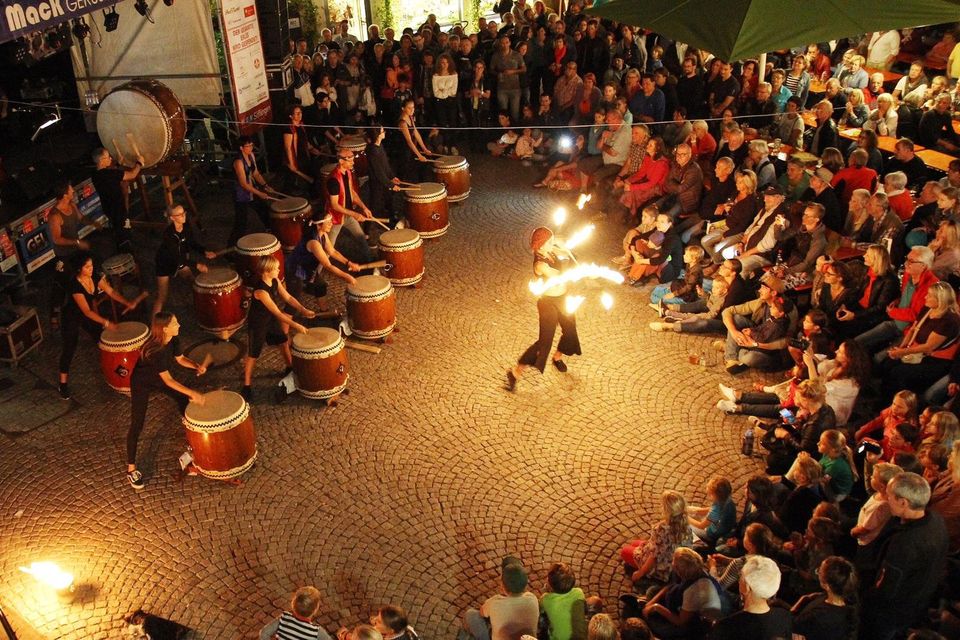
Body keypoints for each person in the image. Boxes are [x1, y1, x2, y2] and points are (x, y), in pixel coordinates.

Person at [860, 473, 949, 640]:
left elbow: (886, 588)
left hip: (894, 611)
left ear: (903, 502)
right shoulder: (936, 520)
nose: (886, 499)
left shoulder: (905, 544)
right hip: (920, 599)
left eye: (889, 495)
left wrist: (865, 599)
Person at [126, 313, 206, 489]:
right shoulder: (156, 351)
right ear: (164, 328)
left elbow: (180, 359)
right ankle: (131, 470)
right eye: (175, 323)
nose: (179, 325)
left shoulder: (173, 339)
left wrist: (195, 365)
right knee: (137, 423)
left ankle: (194, 441)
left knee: (183, 401)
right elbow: (169, 381)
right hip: (142, 382)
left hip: (160, 378)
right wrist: (193, 392)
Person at [506, 228, 581, 391]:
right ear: (541, 245)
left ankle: (558, 356)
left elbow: (564, 251)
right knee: (544, 342)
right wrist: (573, 263)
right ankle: (516, 371)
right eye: (550, 241)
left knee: (570, 331)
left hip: (563, 298)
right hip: (548, 303)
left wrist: (567, 250)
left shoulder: (550, 250)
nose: (553, 243)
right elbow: (561, 276)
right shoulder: (540, 264)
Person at [58, 251, 141, 400]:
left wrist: (126, 302)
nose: (91, 269)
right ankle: (63, 384)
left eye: (91, 266)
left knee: (102, 341)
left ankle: (114, 372)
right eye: (87, 267)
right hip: (72, 317)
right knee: (69, 348)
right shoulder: (75, 285)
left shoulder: (94, 277)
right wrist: (106, 322)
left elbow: (111, 292)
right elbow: (87, 311)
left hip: (87, 316)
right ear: (79, 269)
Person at [242, 256, 314, 402]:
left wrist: (303, 309)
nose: (279, 270)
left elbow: (287, 298)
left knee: (283, 341)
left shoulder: (274, 281)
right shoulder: (261, 291)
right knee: (253, 355)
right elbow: (278, 313)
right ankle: (246, 386)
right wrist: (297, 326)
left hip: (271, 320)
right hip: (258, 324)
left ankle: (290, 367)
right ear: (267, 272)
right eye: (276, 268)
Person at [47, 180, 102, 326]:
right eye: (71, 190)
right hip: (64, 255)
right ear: (65, 195)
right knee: (61, 284)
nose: (73, 191)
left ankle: (88, 305)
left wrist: (94, 223)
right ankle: (55, 314)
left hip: (76, 252)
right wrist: (77, 242)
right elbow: (57, 239)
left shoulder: (71, 205)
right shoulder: (55, 215)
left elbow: (81, 217)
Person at [641, 548, 725, 639]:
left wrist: (656, 607)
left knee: (661, 626)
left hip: (696, 623)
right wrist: (652, 602)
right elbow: (670, 586)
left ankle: (642, 613)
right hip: (682, 603)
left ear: (680, 570)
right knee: (652, 591)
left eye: (674, 561)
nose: (672, 562)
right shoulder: (696, 571)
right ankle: (645, 604)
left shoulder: (693, 590)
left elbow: (680, 621)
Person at [722, 274, 797, 374]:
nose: (759, 290)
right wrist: (734, 332)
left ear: (773, 293)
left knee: (750, 358)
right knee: (736, 319)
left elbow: (786, 341)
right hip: (758, 334)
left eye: (763, 288)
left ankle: (732, 347)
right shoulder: (761, 301)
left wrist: (756, 344)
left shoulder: (788, 312)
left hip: (771, 350)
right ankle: (731, 357)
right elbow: (728, 311)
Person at [152, 204, 216, 318]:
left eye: (184, 213)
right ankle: (154, 325)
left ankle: (203, 311)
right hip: (165, 262)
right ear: (172, 217)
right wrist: (196, 265)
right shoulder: (168, 234)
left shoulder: (185, 226)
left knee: (194, 282)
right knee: (162, 297)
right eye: (180, 214)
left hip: (180, 259)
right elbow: (175, 257)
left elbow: (191, 242)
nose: (183, 216)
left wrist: (204, 251)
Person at [620, 490, 693, 587]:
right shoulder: (685, 525)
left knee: (624, 551)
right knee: (635, 543)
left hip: (662, 567)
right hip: (673, 560)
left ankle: (651, 578)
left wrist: (640, 573)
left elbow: (653, 557)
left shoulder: (662, 529)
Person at [709, 556, 791, 640]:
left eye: (741, 577)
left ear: (747, 588)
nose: (739, 580)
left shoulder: (726, 627)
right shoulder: (785, 617)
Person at [462, 556, 539, 640]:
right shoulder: (532, 599)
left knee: (471, 614)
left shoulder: (494, 602)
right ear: (525, 585)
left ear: (502, 586)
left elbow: (482, 612)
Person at [285, 214, 360, 299]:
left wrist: (348, 263)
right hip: (295, 270)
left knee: (320, 286)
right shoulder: (314, 243)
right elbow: (328, 266)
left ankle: (324, 310)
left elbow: (333, 252)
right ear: (318, 225)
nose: (331, 224)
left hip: (307, 268)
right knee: (294, 300)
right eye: (328, 223)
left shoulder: (323, 234)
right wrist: (347, 276)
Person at [325, 149, 376, 264]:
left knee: (361, 238)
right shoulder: (333, 180)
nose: (353, 163)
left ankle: (370, 262)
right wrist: (354, 214)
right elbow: (334, 205)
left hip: (347, 215)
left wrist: (364, 207)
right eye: (350, 160)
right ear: (340, 161)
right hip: (335, 218)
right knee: (328, 248)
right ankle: (313, 274)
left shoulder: (347, 172)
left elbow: (352, 192)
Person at [790, 556, 859, 640]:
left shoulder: (818, 615)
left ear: (827, 586)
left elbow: (790, 626)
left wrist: (799, 602)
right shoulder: (850, 602)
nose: (818, 572)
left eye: (819, 571)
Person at [91, 146, 143, 251]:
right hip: (118, 210)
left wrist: (118, 164)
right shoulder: (110, 174)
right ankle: (126, 254)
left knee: (119, 232)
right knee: (124, 236)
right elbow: (132, 174)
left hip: (109, 209)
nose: (110, 158)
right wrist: (139, 163)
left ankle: (122, 248)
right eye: (108, 157)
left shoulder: (95, 175)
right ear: (102, 160)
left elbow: (112, 175)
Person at [230, 136, 276, 246]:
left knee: (264, 210)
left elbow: (256, 174)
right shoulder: (238, 162)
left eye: (251, 145)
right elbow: (243, 184)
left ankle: (271, 231)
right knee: (241, 223)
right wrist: (260, 193)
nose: (251, 148)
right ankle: (231, 248)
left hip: (252, 189)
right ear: (241, 148)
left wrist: (265, 185)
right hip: (241, 194)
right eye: (248, 146)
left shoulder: (251, 156)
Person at [260, 586, 331, 640]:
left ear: (293, 603)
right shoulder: (316, 632)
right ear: (315, 610)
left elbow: (264, 633)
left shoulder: (284, 618)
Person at [539, 562, 587, 640]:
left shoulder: (545, 599)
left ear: (550, 584)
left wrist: (546, 591)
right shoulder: (579, 593)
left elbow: (541, 610)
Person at [282, 105, 321, 195]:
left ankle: (312, 196)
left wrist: (312, 148)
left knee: (309, 176)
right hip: (294, 157)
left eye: (301, 113)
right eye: (297, 113)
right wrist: (291, 163)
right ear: (291, 116)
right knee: (290, 180)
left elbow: (304, 140)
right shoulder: (288, 129)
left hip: (304, 155)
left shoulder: (301, 125)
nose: (300, 115)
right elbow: (288, 148)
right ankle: (284, 200)